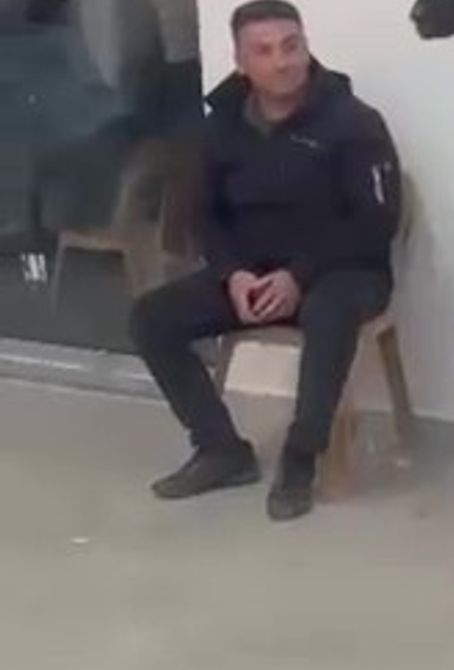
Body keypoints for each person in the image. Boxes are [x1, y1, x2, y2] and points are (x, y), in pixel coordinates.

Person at [130, 0, 401, 522]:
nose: (282, 62)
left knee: (328, 311)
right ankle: (220, 449)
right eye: (265, 51)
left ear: (306, 47)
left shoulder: (354, 122)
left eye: (291, 46)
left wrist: (298, 275)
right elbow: (205, 215)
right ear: (241, 63)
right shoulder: (222, 125)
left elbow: (375, 221)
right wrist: (232, 273)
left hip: (344, 271)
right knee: (150, 317)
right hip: (251, 274)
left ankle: (301, 457)